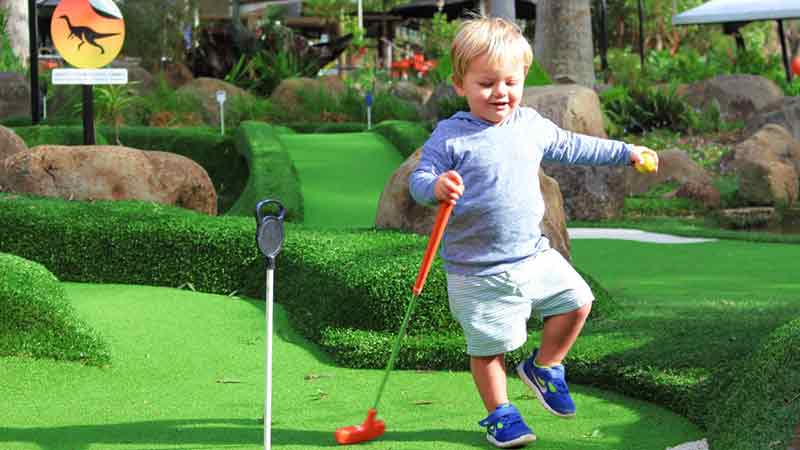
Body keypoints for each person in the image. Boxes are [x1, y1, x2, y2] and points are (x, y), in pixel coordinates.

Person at [408, 16, 659, 449]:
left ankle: (545, 366)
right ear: (460, 84)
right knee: (488, 348)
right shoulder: (451, 136)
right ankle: (499, 413)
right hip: (477, 270)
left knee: (578, 302)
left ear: (523, 76)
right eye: (486, 83)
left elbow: (577, 145)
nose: (500, 93)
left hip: (533, 255)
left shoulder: (531, 124)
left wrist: (626, 152)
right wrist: (435, 185)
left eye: (510, 81)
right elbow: (419, 179)